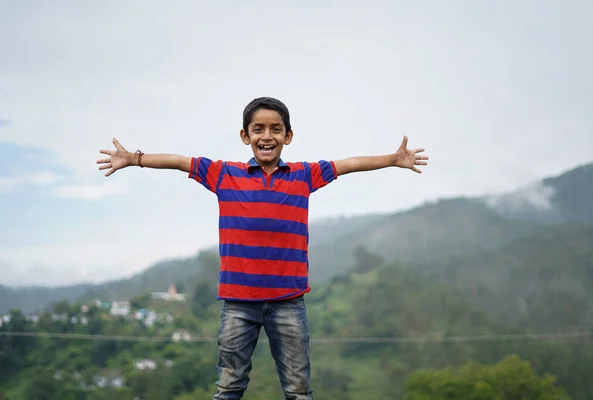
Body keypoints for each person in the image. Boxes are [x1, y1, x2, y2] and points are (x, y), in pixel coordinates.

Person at [96, 97, 429, 400]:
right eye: (258, 129)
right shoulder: (224, 174)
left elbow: (349, 164)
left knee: (298, 391)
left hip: (288, 303)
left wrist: (392, 159)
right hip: (238, 304)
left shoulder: (303, 176)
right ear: (245, 136)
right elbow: (180, 161)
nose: (267, 136)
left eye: (275, 129)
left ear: (288, 136)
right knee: (229, 387)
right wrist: (134, 158)